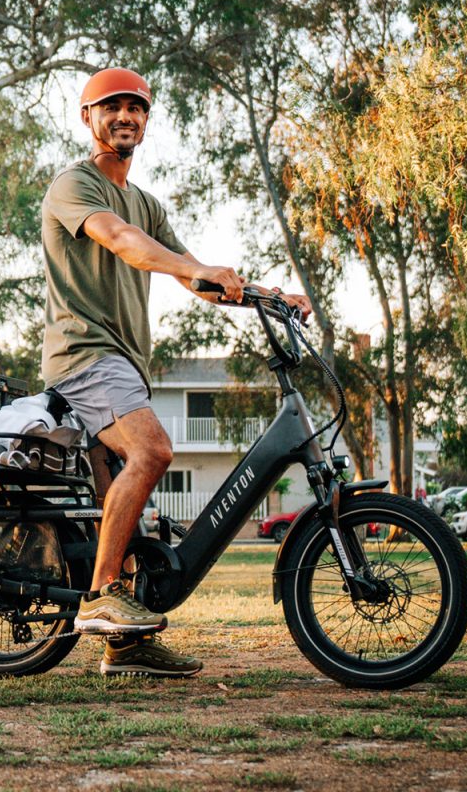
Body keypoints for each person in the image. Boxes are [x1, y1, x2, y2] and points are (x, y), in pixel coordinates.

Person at [41, 68, 312, 677]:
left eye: (136, 109)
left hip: (124, 363)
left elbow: (191, 274)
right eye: (111, 108)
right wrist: (191, 268)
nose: (126, 118)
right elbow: (120, 241)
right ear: (89, 118)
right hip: (83, 354)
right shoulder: (73, 185)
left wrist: (267, 295)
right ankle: (102, 595)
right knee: (156, 451)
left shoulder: (147, 204)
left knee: (135, 503)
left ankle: (127, 648)